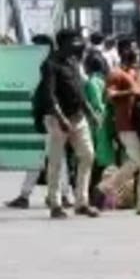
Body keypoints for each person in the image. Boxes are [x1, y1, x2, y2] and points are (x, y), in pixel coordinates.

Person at [7, 34, 74, 210]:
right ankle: (58, 194)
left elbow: (47, 97)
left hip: (51, 119)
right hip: (51, 118)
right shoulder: (49, 65)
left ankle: (55, 195)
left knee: (50, 159)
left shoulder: (49, 66)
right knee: (50, 158)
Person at [40, 29, 100, 219]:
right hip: (58, 120)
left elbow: (79, 91)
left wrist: (90, 112)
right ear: (63, 43)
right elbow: (49, 96)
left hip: (78, 117)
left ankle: (82, 202)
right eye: (74, 41)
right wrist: (61, 118)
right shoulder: (50, 65)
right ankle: (55, 204)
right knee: (56, 162)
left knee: (88, 155)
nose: (78, 45)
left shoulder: (73, 62)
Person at [105, 37, 140, 215]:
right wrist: (130, 91)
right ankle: (106, 187)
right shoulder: (116, 73)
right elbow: (109, 95)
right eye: (133, 50)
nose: (137, 53)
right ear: (124, 52)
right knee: (136, 161)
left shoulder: (139, 72)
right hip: (127, 124)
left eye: (137, 51)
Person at [83, 52, 117, 199]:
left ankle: (94, 195)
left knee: (94, 162)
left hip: (96, 124)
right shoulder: (104, 80)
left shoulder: (91, 82)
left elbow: (96, 104)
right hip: (106, 122)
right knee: (102, 161)